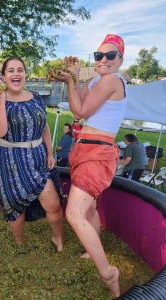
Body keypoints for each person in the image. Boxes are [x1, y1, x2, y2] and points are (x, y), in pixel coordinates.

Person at [55, 34, 127, 297]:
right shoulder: (96, 79)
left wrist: (73, 81)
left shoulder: (113, 80)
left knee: (74, 214)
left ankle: (109, 274)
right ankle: (90, 250)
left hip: (98, 151)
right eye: (99, 56)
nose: (104, 60)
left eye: (110, 55)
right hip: (84, 147)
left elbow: (82, 112)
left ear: (121, 59)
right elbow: (76, 109)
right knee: (91, 207)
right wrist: (71, 79)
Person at [0, 56, 64, 252]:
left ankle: (58, 239)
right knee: (15, 207)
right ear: (4, 76)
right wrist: (1, 100)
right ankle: (19, 244)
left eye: (20, 70)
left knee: (53, 204)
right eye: (11, 71)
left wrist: (49, 152)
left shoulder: (36, 96)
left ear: (25, 74)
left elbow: (45, 126)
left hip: (38, 157)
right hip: (10, 160)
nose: (16, 74)